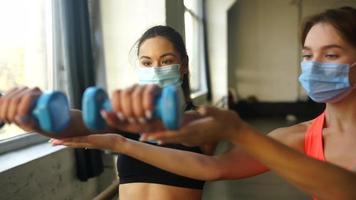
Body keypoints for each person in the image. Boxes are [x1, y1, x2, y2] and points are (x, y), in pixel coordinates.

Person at [51, 7, 356, 200]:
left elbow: (346, 189)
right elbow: (213, 167)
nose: (314, 66)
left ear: (182, 65)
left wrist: (236, 130)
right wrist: (39, 113)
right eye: (306, 55)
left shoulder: (198, 121)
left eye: (330, 55)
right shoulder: (297, 136)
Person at [0, 25, 215, 200]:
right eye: (147, 63)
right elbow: (82, 122)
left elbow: (196, 165)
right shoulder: (128, 119)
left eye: (166, 61)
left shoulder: (204, 122)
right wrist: (34, 117)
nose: (156, 70)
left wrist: (120, 143)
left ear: (183, 65)